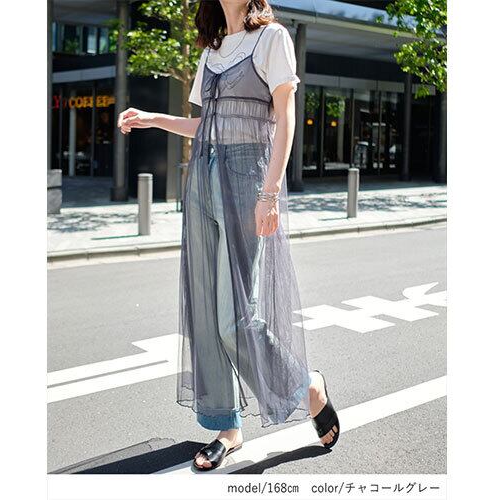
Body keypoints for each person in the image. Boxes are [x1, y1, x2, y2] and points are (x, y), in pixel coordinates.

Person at [117, 0, 340, 472]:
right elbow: (208, 126)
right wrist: (155, 118)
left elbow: (284, 119)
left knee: (236, 317)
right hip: (203, 177)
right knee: (204, 310)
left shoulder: (272, 38)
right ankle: (227, 427)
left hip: (246, 179)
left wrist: (270, 193)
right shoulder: (212, 50)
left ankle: (307, 386)